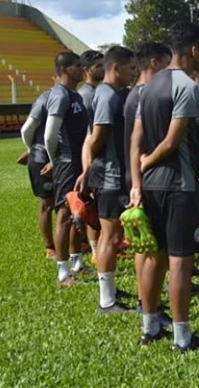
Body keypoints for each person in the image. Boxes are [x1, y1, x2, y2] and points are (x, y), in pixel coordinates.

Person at [129, 21, 199, 351]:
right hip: (179, 185)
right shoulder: (186, 86)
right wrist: (148, 163)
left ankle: (150, 328)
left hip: (150, 188)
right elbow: (172, 141)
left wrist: (137, 181)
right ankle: (182, 337)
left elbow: (136, 140)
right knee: (180, 261)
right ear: (193, 49)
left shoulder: (148, 86)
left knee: (153, 258)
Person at [76, 45, 136, 313]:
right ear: (116, 68)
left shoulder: (114, 94)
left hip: (114, 175)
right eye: (130, 69)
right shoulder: (106, 97)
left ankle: (109, 289)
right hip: (110, 177)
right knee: (110, 236)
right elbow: (96, 137)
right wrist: (88, 171)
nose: (133, 74)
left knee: (111, 235)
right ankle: (106, 300)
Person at [123, 41, 172, 325]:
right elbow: (139, 142)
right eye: (167, 61)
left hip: (138, 175)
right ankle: (149, 304)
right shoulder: (145, 95)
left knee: (146, 245)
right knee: (154, 249)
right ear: (155, 62)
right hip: (147, 175)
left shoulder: (136, 95)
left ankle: (147, 302)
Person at [44, 52, 90, 285]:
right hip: (66, 162)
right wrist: (55, 160)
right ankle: (63, 271)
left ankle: (77, 261)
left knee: (78, 212)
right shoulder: (60, 95)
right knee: (63, 214)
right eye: (78, 66)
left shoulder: (75, 96)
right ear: (66, 69)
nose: (83, 69)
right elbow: (50, 133)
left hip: (77, 161)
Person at [20, 89, 56, 259]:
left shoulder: (75, 96)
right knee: (47, 203)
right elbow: (26, 129)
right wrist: (33, 149)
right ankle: (50, 247)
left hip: (63, 156)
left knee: (66, 202)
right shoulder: (46, 98)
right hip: (44, 158)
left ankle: (79, 242)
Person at [78, 49, 104, 258]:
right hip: (89, 157)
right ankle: (94, 250)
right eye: (98, 66)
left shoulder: (99, 92)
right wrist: (87, 167)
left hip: (98, 156)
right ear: (86, 70)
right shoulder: (86, 96)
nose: (102, 69)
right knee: (92, 205)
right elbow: (89, 136)